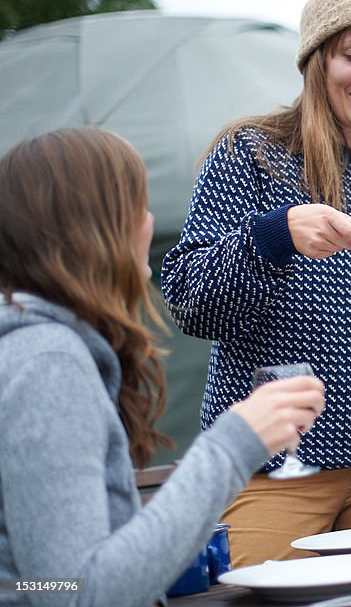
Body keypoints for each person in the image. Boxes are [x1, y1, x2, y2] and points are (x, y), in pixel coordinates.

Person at [160, 0, 351, 567]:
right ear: (317, 62)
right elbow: (188, 301)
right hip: (276, 470)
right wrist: (275, 237)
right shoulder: (252, 156)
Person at [0, 127, 325, 607]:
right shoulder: (48, 364)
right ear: (97, 225)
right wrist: (234, 442)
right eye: (139, 205)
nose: (150, 222)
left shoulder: (39, 348)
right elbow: (76, 593)